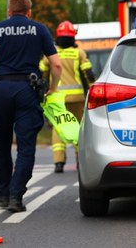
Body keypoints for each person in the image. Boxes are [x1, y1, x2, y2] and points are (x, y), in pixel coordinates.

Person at [0, 0, 62, 213]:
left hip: (1, 91)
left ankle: (2, 194)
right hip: (26, 91)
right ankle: (16, 196)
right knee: (25, 146)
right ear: (29, 12)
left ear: (9, 12)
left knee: (2, 143)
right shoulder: (39, 29)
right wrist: (53, 88)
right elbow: (56, 65)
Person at [40, 20, 95, 173]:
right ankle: (79, 160)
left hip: (57, 98)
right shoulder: (79, 53)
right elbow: (89, 74)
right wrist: (93, 91)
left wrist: (44, 89)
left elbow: (41, 72)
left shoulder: (50, 53)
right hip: (77, 97)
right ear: (72, 37)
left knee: (58, 128)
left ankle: (58, 162)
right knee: (78, 127)